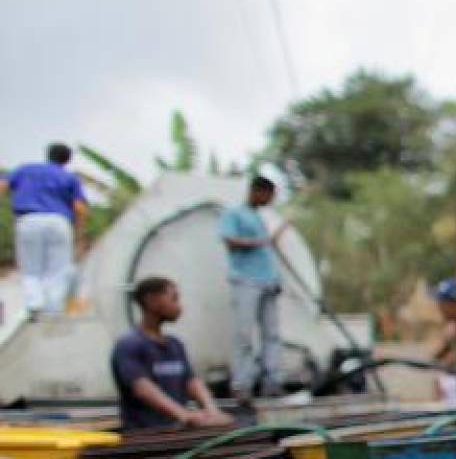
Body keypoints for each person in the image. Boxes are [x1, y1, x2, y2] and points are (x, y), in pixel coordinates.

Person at [111, 277, 233, 430]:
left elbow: (192, 382)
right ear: (151, 301)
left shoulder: (175, 344)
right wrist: (184, 415)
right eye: (174, 298)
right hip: (146, 436)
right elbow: (142, 389)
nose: (179, 306)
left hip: (178, 430)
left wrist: (212, 411)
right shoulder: (129, 345)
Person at [218, 176, 288, 400]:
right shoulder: (234, 214)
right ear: (258, 192)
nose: (270, 201)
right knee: (244, 334)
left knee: (272, 334)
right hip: (246, 281)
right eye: (269, 195)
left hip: (268, 282)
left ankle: (272, 380)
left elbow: (267, 252)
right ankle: (242, 383)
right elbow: (229, 242)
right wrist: (261, 242)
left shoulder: (259, 218)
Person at [0, 143, 88, 315]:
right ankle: (52, 310)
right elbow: (79, 208)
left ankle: (34, 304)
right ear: (67, 160)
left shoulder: (25, 169)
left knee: (31, 268)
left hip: (28, 219)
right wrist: (78, 232)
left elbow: (2, 186)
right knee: (58, 270)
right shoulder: (69, 177)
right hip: (59, 222)